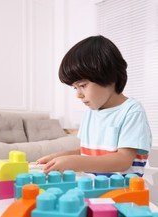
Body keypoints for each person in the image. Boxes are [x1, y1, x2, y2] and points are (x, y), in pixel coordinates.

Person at [37, 35, 152, 177]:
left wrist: (74, 162)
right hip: (92, 189)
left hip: (123, 192)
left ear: (109, 76)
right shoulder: (91, 112)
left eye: (83, 85)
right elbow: (89, 153)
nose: (78, 94)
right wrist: (61, 156)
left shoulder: (132, 111)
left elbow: (123, 160)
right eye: (75, 88)